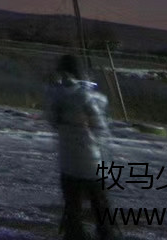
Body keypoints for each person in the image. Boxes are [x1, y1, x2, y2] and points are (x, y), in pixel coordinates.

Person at [48, 55, 114, 240]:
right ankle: (106, 233)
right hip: (91, 161)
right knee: (99, 202)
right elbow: (100, 126)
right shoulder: (87, 96)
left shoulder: (57, 97)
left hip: (68, 161)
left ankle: (75, 234)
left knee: (73, 204)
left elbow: (53, 121)